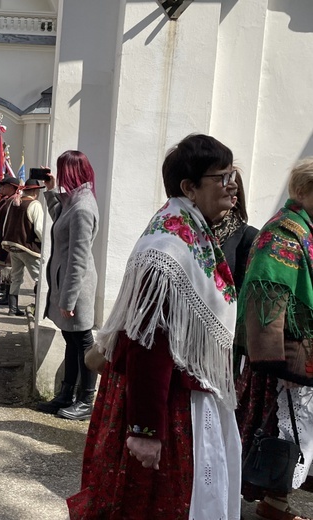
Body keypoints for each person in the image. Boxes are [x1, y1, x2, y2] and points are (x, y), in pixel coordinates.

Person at [68, 134, 241, 520]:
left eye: (233, 174)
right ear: (189, 188)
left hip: (185, 396)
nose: (232, 185)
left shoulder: (189, 232)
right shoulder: (167, 249)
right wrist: (146, 431)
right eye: (222, 177)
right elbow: (149, 342)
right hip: (165, 405)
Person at [236, 158, 313, 520]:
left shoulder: (306, 229)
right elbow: (268, 296)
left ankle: (276, 502)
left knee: (294, 434)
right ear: (302, 191)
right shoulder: (285, 232)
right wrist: (272, 361)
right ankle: (272, 502)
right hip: (283, 358)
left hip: (301, 353)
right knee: (277, 434)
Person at [35, 152, 99, 420]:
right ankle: (65, 395)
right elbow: (59, 217)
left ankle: (85, 400)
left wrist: (69, 299)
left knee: (83, 342)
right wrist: (50, 191)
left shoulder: (83, 207)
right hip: (68, 285)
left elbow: (78, 259)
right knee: (71, 341)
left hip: (77, 287)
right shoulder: (75, 200)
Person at [0, 178, 45, 316]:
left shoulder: (14, 203)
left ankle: (12, 309)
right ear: (36, 191)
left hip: (12, 245)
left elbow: (5, 224)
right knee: (39, 278)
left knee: (16, 277)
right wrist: (45, 245)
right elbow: (39, 228)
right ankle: (38, 308)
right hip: (28, 246)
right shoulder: (35, 204)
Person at [0, 176, 19, 306]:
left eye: (4, 185)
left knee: (8, 269)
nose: (0, 187)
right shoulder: (5, 200)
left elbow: (8, 223)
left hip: (5, 240)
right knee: (4, 269)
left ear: (12, 187)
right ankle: (5, 295)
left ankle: (8, 297)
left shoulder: (13, 201)